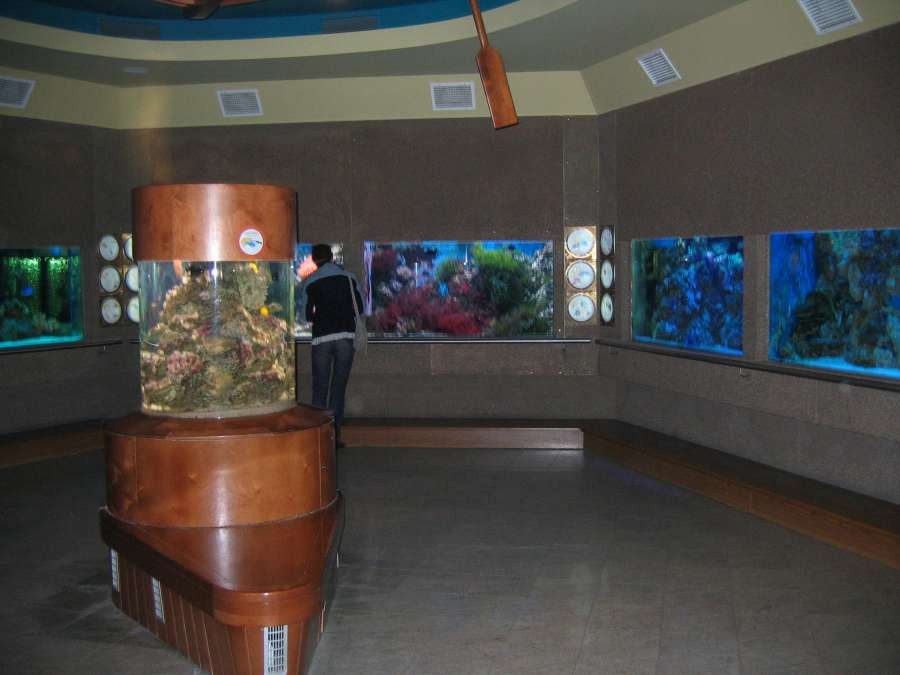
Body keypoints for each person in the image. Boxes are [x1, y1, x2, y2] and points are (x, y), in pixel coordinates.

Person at [297, 244, 363, 446]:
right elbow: (360, 307)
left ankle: (319, 439)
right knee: (338, 387)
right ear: (332, 257)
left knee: (320, 387)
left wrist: (319, 315)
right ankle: (335, 437)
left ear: (314, 259)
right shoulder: (349, 278)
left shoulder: (311, 282)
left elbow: (305, 315)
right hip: (346, 337)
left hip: (322, 339)